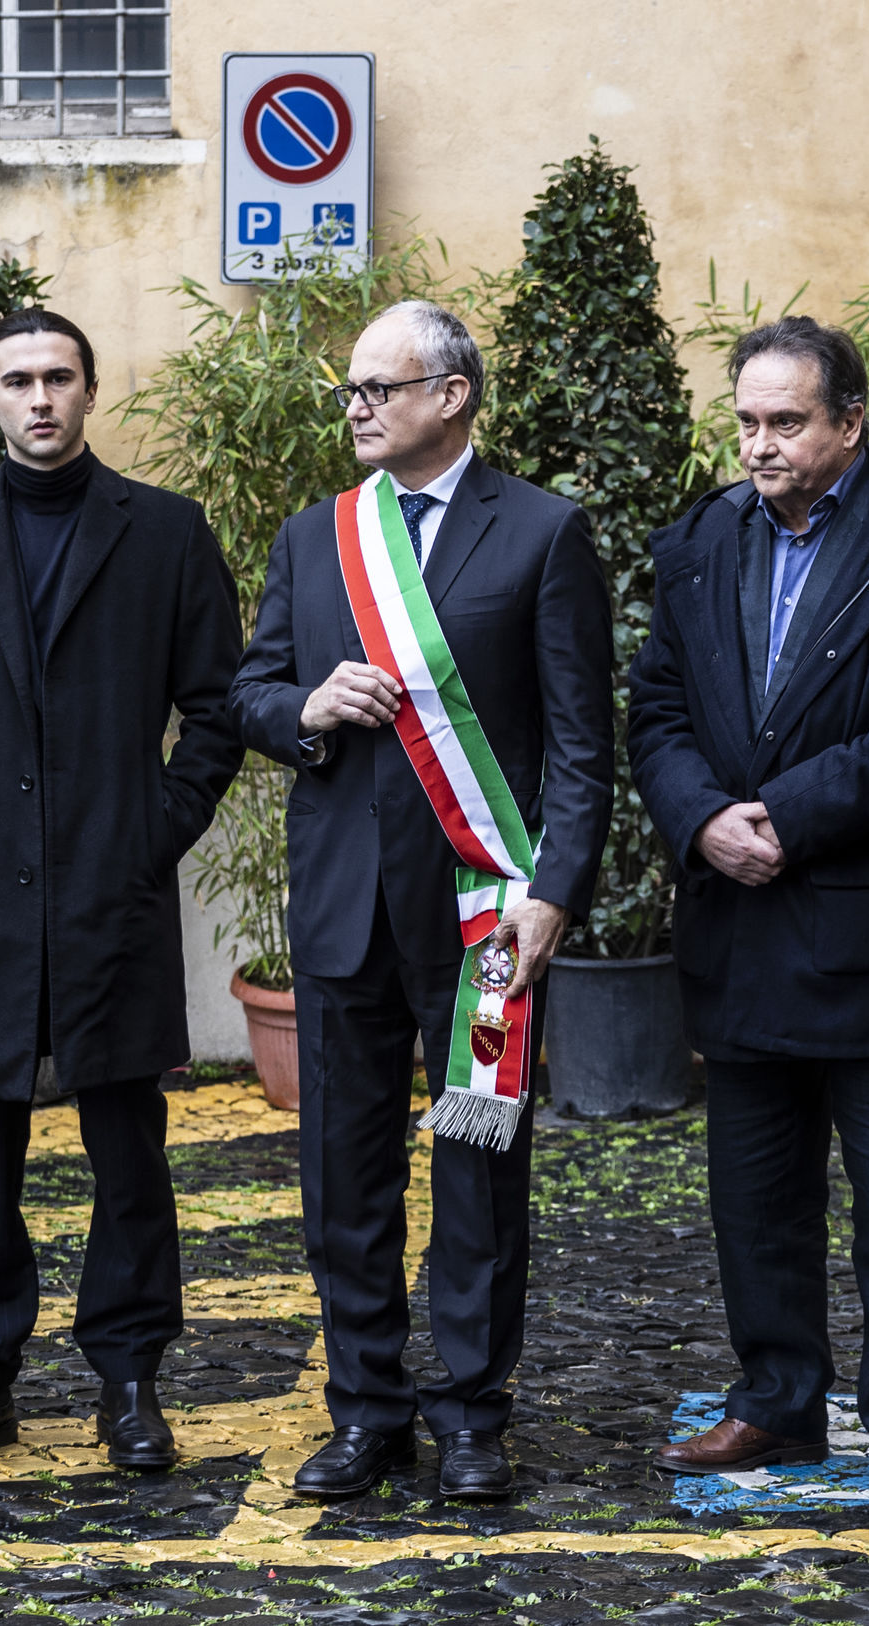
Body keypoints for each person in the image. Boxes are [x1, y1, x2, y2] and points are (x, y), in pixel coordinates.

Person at [230, 300, 614, 1501]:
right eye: (350, 390)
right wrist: (302, 706)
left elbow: (581, 740)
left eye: (377, 388)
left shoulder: (543, 531)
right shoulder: (317, 536)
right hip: (343, 909)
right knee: (344, 1175)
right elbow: (247, 690)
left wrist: (553, 889)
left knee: (477, 1166)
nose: (355, 407)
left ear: (451, 394)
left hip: (483, 916)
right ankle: (366, 1411)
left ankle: (471, 1413)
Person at [0, 308, 243, 1478]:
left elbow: (217, 706)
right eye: (17, 380)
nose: (39, 398)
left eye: (59, 377)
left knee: (129, 1143)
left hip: (110, 886)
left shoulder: (166, 532)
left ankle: (130, 1380)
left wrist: (156, 828)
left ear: (88, 391)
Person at [626, 318, 869, 1503]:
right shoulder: (700, 539)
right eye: (746, 421)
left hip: (863, 922)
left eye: (786, 421)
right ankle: (775, 1403)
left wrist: (784, 813)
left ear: (850, 422)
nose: (759, 444)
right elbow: (655, 710)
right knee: (754, 1197)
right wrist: (702, 817)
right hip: (737, 917)